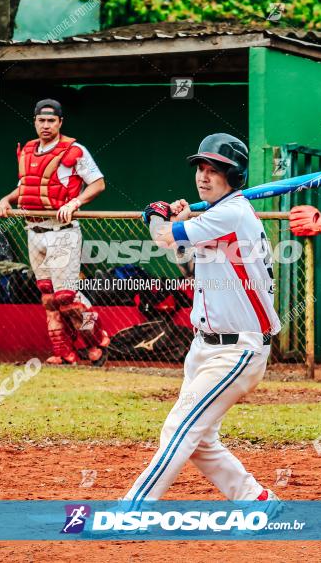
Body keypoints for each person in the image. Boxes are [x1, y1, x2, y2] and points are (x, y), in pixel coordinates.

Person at [124, 133, 282, 509]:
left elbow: (162, 237)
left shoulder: (231, 214)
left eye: (215, 170)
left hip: (238, 349)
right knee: (201, 439)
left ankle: (131, 509)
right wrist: (177, 221)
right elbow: (187, 262)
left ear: (234, 175)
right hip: (204, 345)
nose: (203, 177)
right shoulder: (217, 217)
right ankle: (255, 499)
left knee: (180, 428)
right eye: (201, 168)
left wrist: (159, 217)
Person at [0, 99, 110, 366]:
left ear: (60, 122)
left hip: (62, 231)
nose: (46, 126)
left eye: (51, 121)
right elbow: (27, 186)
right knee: (48, 296)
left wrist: (75, 202)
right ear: (35, 121)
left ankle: (98, 341)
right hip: (34, 231)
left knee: (66, 297)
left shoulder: (74, 150)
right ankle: (64, 352)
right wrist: (5, 200)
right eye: (41, 120)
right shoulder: (28, 150)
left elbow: (99, 184)